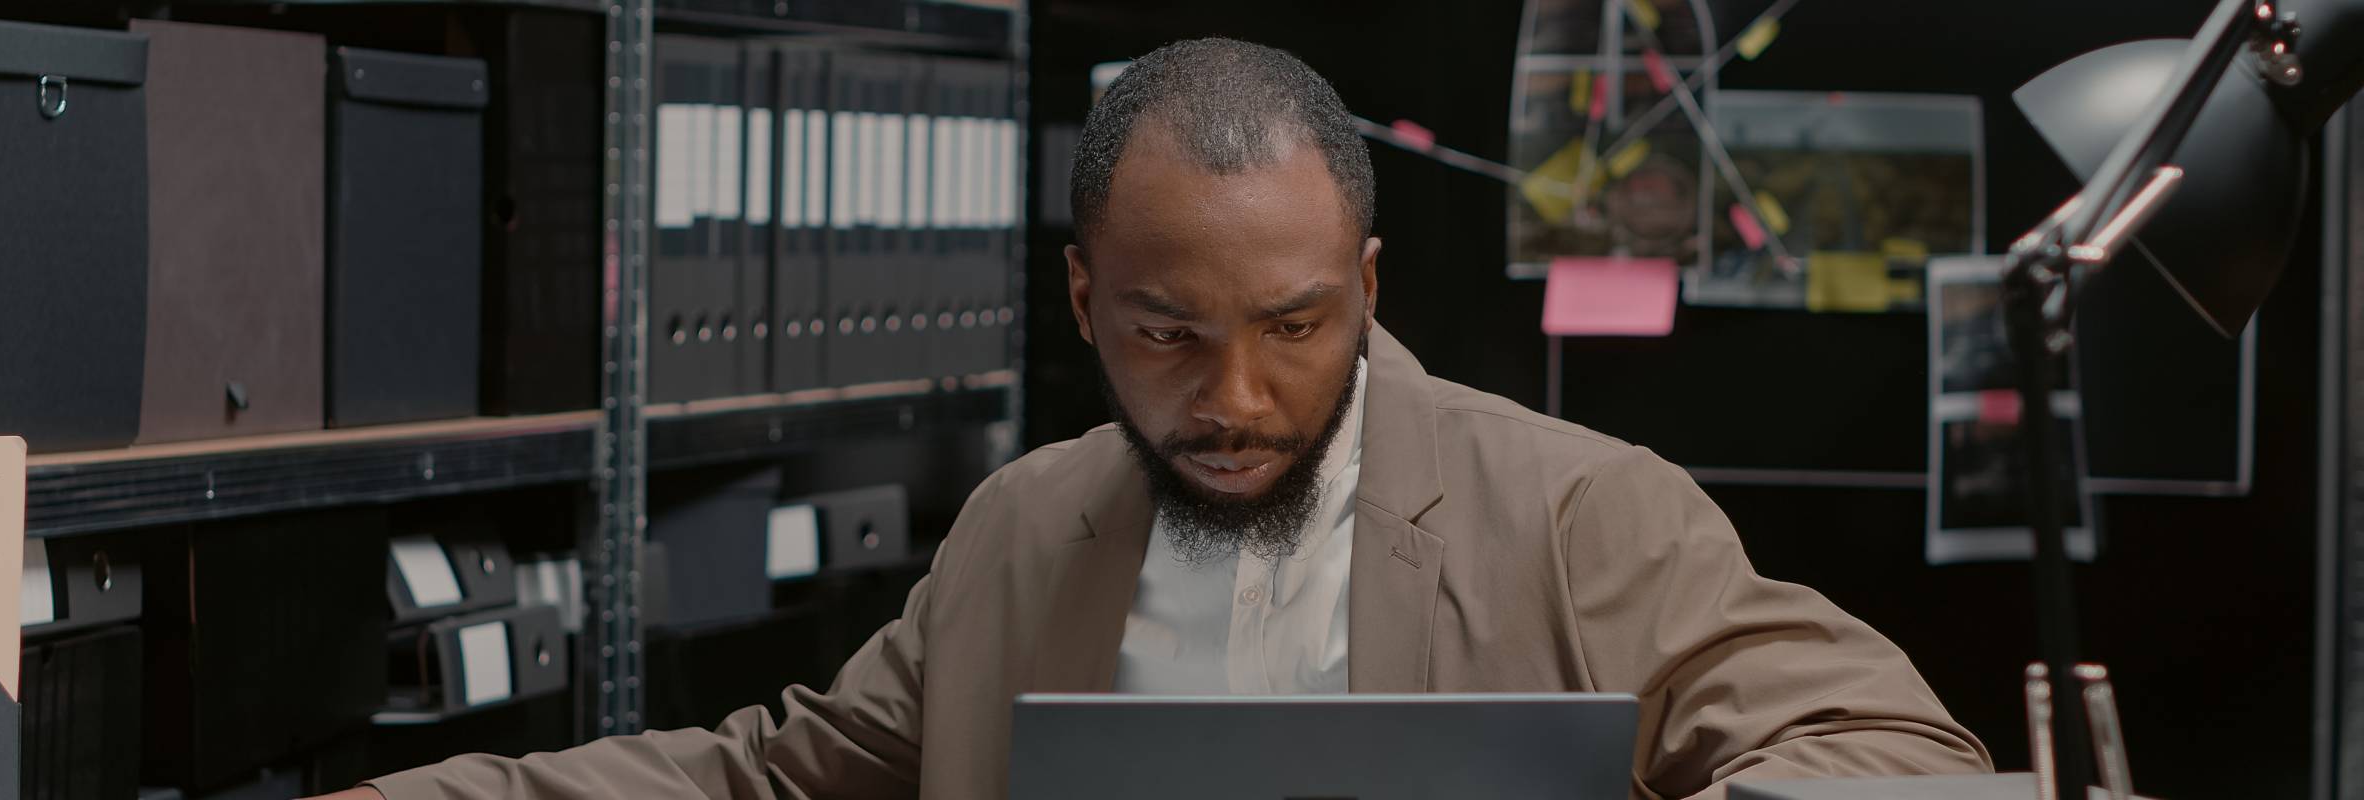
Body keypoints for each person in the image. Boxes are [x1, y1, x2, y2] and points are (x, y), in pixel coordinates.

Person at [322, 37, 1989, 800]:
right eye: (1168, 336)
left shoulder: (1576, 510)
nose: (1239, 398)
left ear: (1370, 285)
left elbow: (1897, 755)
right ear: (1081, 306)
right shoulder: (1024, 528)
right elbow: (780, 773)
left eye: (1294, 327)